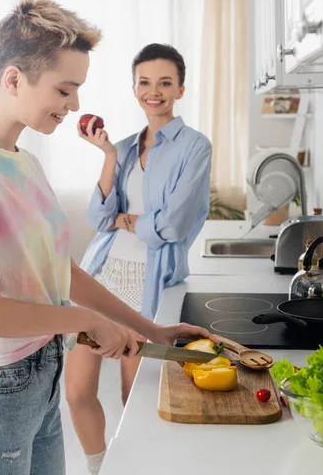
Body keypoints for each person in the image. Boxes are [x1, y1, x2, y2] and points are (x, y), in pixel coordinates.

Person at [0, 0, 215, 475]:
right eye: (65, 89)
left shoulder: (25, 162)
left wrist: (153, 330)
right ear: (14, 78)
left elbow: (61, 272)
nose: (75, 105)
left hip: (40, 376)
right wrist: (81, 319)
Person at [66, 43, 212, 473]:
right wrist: (109, 156)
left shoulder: (194, 147)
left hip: (149, 282)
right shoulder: (125, 147)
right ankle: (101, 466)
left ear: (180, 89)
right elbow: (98, 216)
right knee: (77, 391)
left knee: (135, 399)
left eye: (165, 82)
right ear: (134, 88)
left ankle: (138, 466)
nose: (155, 91)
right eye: (145, 82)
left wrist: (126, 221)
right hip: (102, 276)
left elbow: (173, 226)